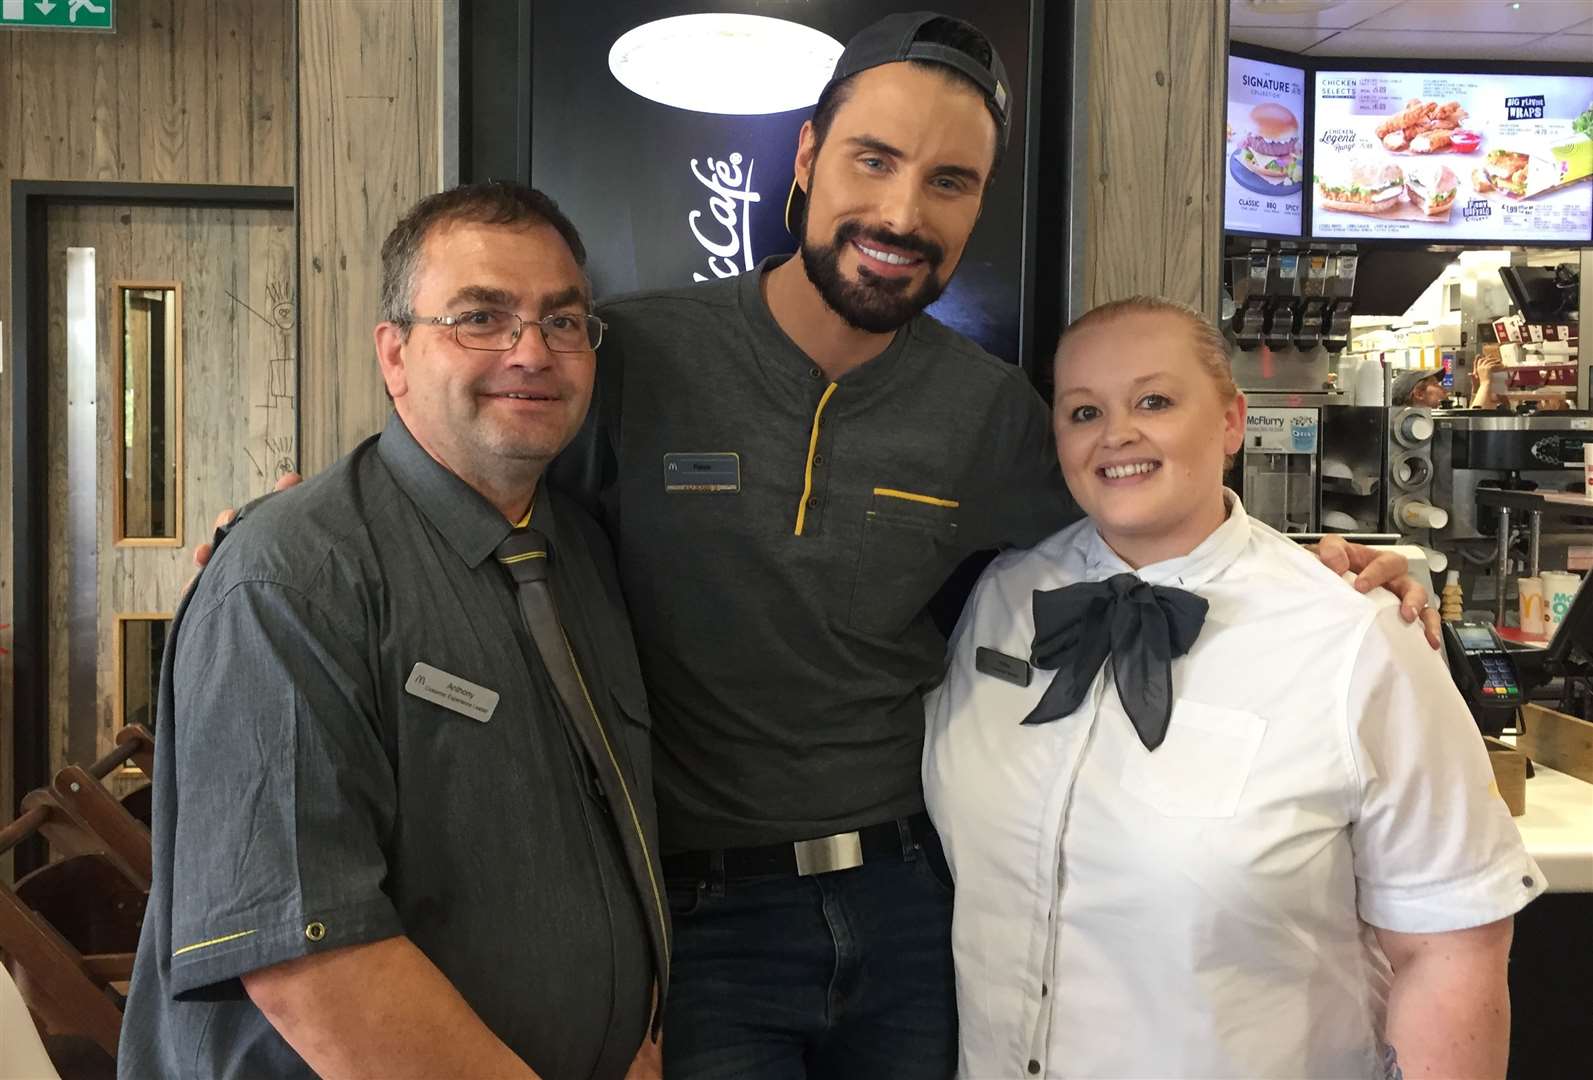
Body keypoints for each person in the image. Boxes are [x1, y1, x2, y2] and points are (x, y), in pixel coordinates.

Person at [196, 16, 1433, 1077]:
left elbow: (1142, 524)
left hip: (916, 905)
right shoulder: (631, 355)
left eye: (948, 182)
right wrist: (307, 521)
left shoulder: (992, 413)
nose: (902, 211)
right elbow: (478, 456)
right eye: (874, 161)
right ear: (805, 161)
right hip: (699, 914)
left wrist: (1310, 564)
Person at [120, 184, 667, 1079]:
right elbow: (307, 959)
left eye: (562, 322)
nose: (531, 352)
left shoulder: (583, 559)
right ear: (395, 353)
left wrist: (638, 1042)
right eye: (480, 317)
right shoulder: (287, 579)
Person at [923, 296, 1542, 1080]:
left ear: (1229, 422)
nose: (1116, 434)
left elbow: (1450, 948)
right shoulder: (1005, 601)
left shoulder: (1354, 636)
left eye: (1154, 400)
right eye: (1083, 411)